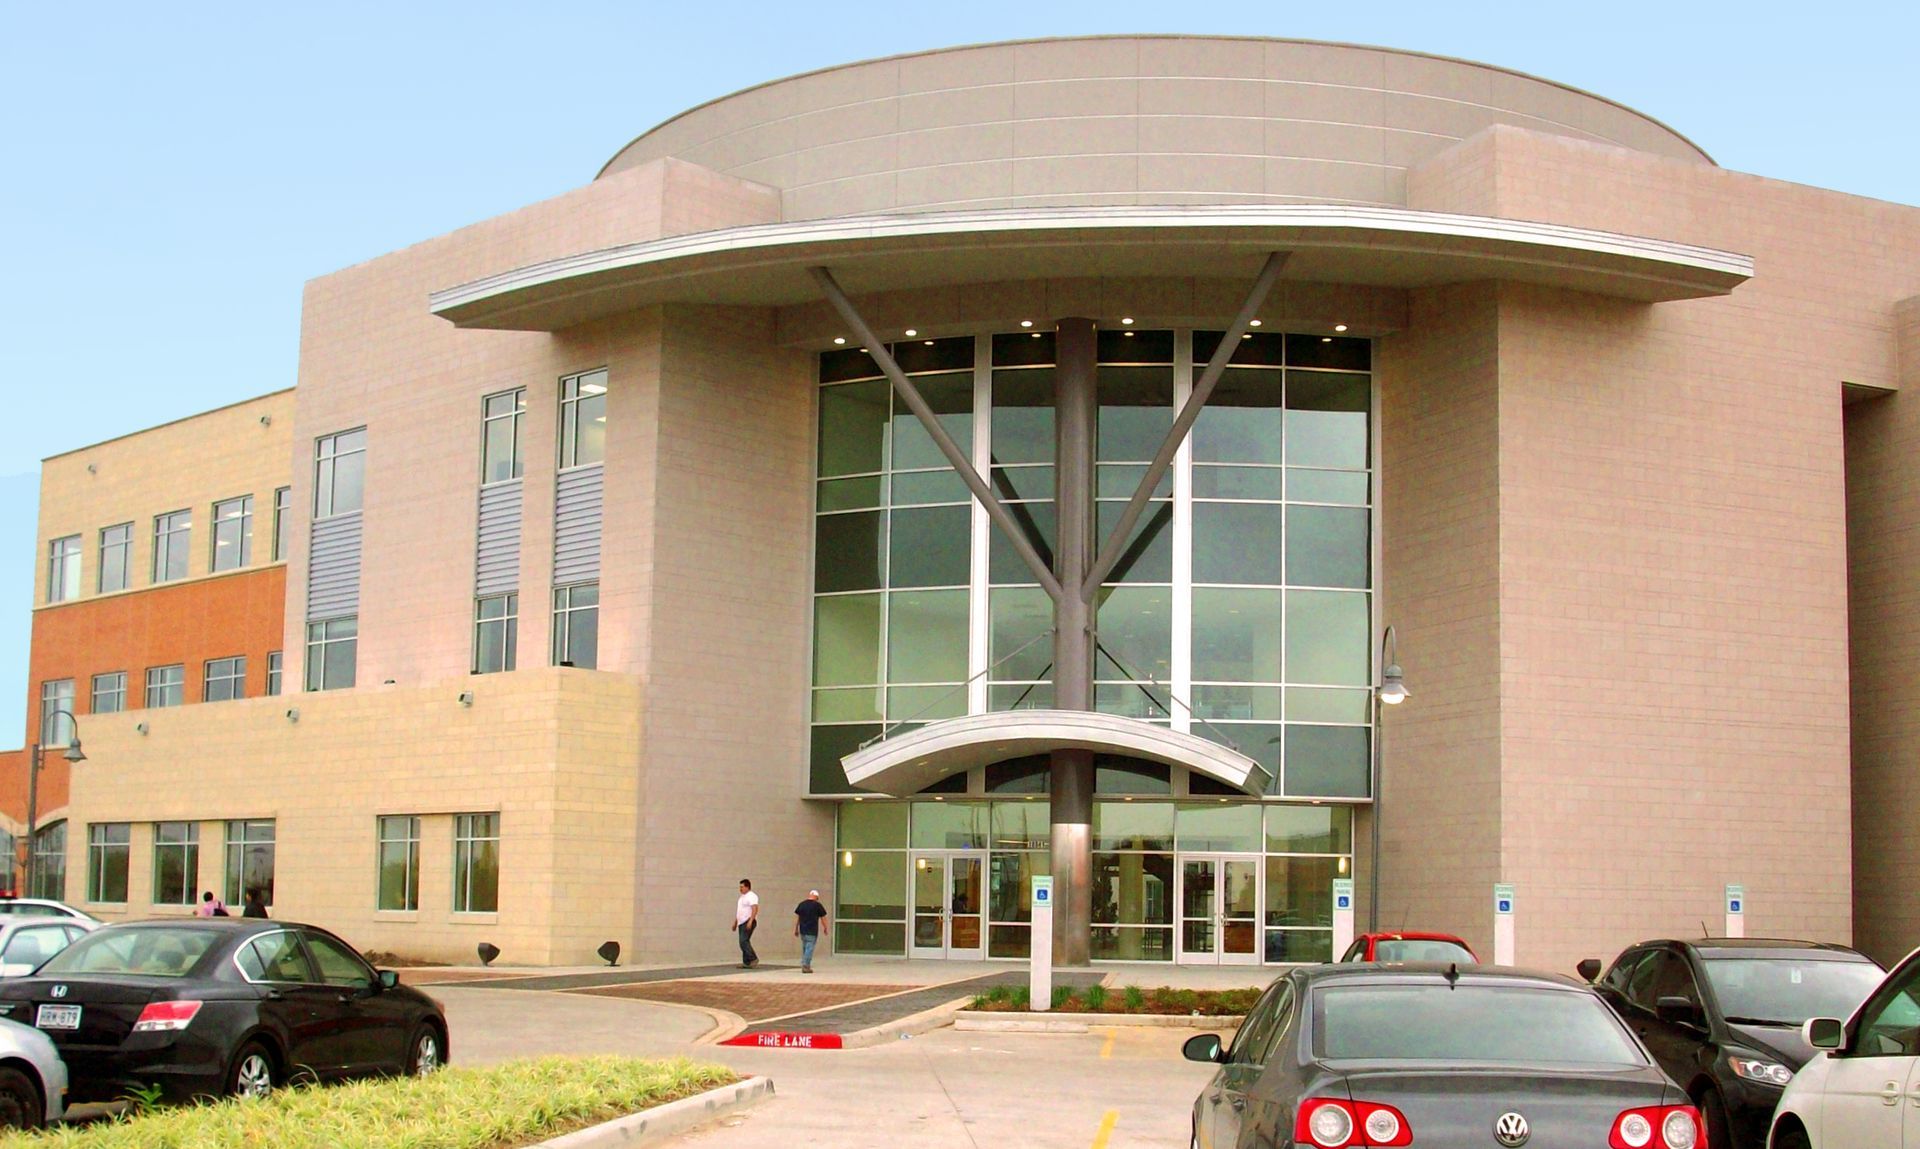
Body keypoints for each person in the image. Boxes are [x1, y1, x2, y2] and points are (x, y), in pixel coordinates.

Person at [793, 889, 828, 974]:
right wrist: (825, 927)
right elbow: (823, 918)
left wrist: (796, 929)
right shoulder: (817, 905)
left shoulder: (802, 904)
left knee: (805, 948)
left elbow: (797, 918)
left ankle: (805, 963)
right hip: (812, 930)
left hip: (803, 930)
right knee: (809, 948)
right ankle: (806, 965)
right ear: (816, 897)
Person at [732, 878, 759, 968]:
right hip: (741, 922)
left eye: (742, 887)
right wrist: (735, 922)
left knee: (743, 941)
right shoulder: (741, 898)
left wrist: (751, 920)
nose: (740, 889)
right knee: (743, 942)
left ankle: (753, 958)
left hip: (748, 921)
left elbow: (755, 909)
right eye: (740, 887)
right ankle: (747, 962)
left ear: (747, 887)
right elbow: (739, 911)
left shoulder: (751, 896)